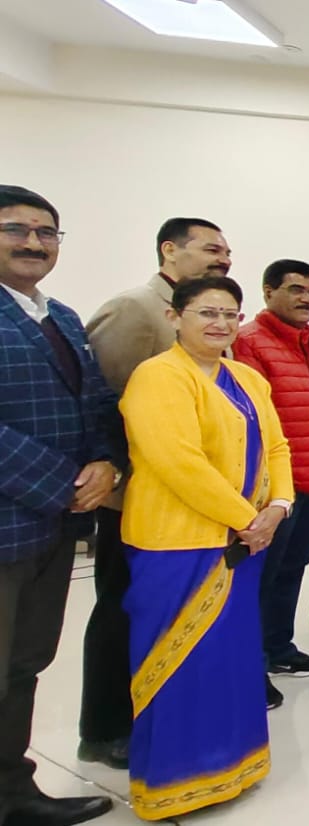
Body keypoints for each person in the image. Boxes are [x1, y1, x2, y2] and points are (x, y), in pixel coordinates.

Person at [119, 275, 292, 820]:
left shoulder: (246, 378)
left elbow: (279, 445)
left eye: (229, 314)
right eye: (207, 313)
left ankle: (233, 769)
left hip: (243, 544)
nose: (220, 323)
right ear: (175, 317)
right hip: (177, 546)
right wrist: (249, 520)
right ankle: (172, 787)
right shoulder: (157, 377)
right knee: (179, 664)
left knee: (228, 661)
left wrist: (279, 507)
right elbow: (178, 462)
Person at [80, 216, 230, 770]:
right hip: (138, 499)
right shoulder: (136, 309)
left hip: (193, 501)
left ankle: (155, 712)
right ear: (169, 250)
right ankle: (104, 729)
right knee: (122, 610)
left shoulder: (206, 318)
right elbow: (100, 404)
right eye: (211, 249)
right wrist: (114, 472)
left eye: (227, 252)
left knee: (169, 614)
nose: (223, 258)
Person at [0, 185, 119, 826]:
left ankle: (13, 794)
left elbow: (96, 402)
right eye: (16, 229)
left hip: (52, 528)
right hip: (12, 520)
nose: (33, 243)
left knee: (25, 664)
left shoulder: (63, 317)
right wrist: (67, 483)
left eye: (46, 232)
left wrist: (106, 462)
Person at [231, 260, 309, 701]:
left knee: (291, 571)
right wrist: (274, 492)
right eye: (296, 290)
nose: (306, 299)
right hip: (276, 489)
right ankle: (248, 669)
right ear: (268, 290)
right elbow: (254, 421)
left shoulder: (308, 343)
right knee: (261, 580)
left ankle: (279, 648)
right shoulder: (249, 342)